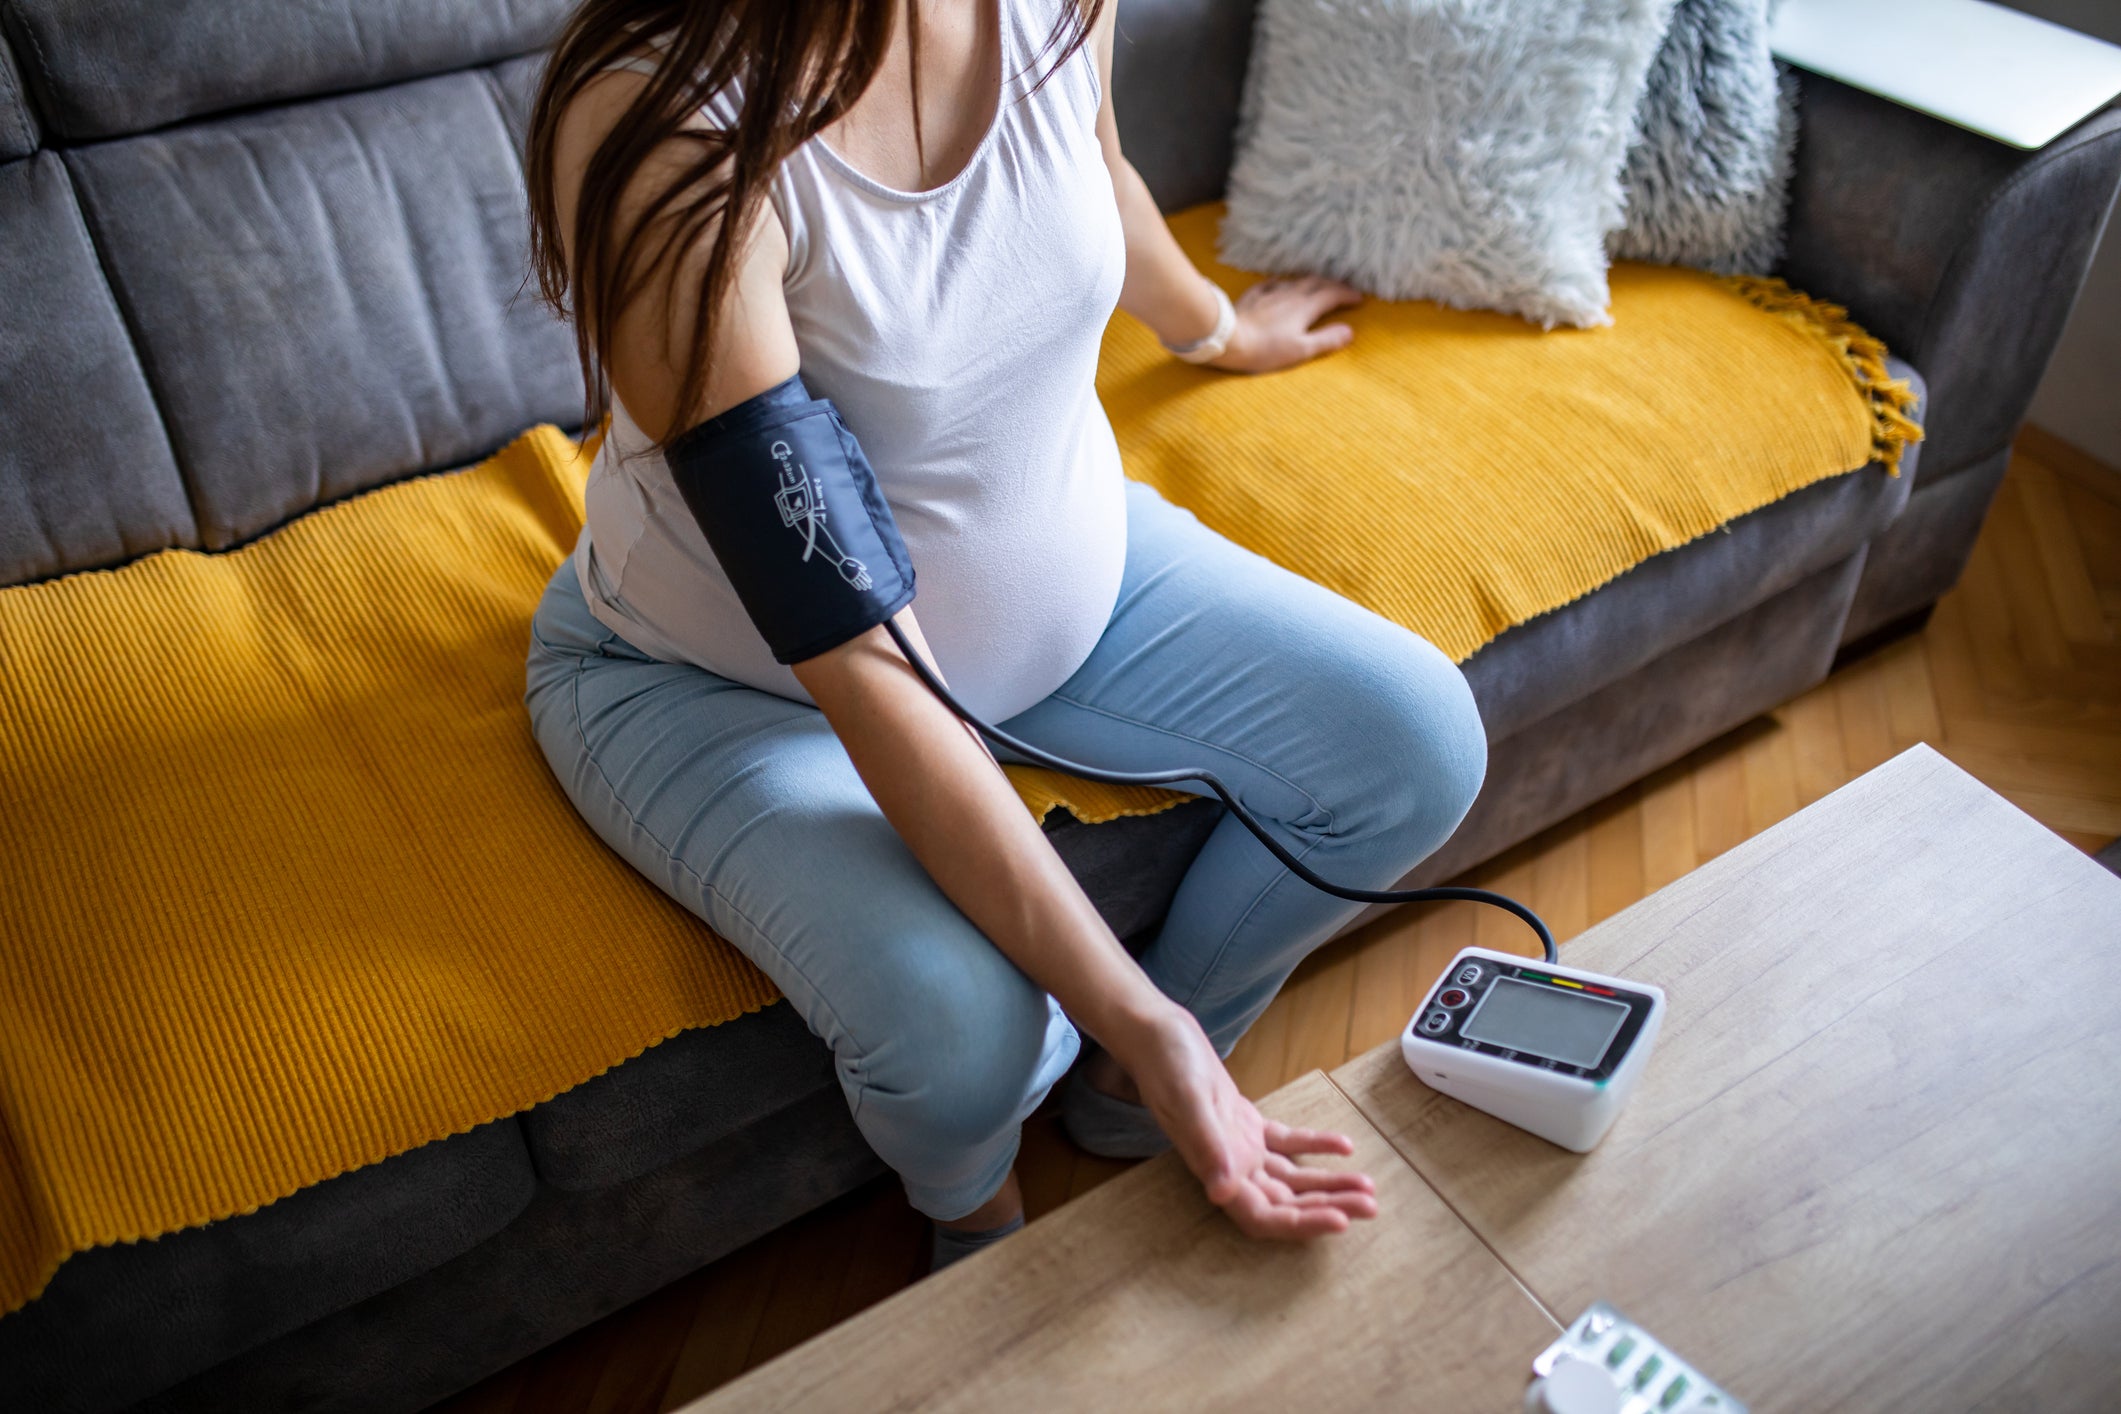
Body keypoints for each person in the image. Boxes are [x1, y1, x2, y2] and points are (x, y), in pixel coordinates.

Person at [522, 0, 1487, 1269]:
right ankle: (977, 1226)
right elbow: (854, 646)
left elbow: (1097, 170)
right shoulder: (671, 133)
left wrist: (1217, 326)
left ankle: (1134, 1104)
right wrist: (1133, 1009)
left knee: (1417, 749)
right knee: (970, 1040)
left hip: (1072, 580)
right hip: (731, 683)